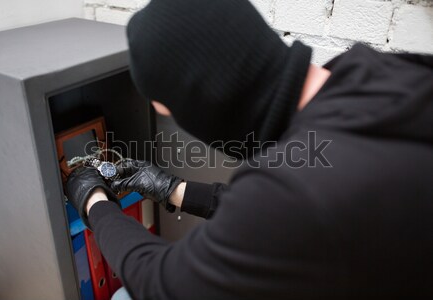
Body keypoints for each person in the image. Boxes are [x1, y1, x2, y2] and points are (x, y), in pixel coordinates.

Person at [65, 0, 433, 299]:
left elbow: (160, 284)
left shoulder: (294, 192)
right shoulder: (380, 72)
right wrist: (170, 188)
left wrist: (94, 201)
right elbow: (280, 218)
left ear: (199, 106)